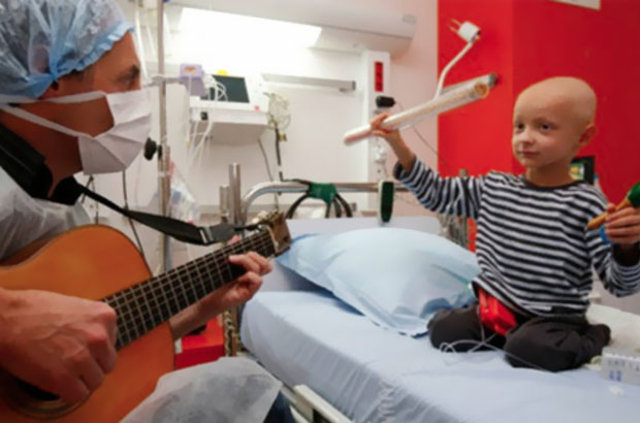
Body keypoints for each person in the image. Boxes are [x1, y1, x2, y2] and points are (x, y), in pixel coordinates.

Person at [0, 1, 292, 421]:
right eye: (128, 79)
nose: (140, 99)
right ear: (50, 73)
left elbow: (85, 355)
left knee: (254, 395)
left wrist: (200, 309)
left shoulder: (57, 208)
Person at [371, 76, 640, 371]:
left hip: (551, 317)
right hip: (496, 309)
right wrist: (398, 144)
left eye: (544, 127)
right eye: (519, 126)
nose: (525, 137)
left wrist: (627, 248)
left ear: (584, 137)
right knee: (443, 330)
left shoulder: (587, 204)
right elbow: (437, 194)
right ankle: (509, 334)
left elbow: (620, 284)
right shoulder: (494, 187)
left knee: (527, 350)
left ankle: (594, 335)